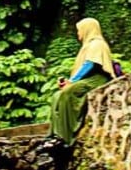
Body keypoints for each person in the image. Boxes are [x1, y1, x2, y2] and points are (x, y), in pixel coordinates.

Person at [47, 17, 115, 147]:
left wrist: (71, 82)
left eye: (79, 30)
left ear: (87, 29)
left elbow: (89, 64)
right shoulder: (88, 45)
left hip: (97, 79)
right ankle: (55, 134)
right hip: (87, 79)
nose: (78, 33)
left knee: (68, 92)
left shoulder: (97, 44)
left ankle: (65, 137)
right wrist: (69, 82)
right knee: (57, 96)